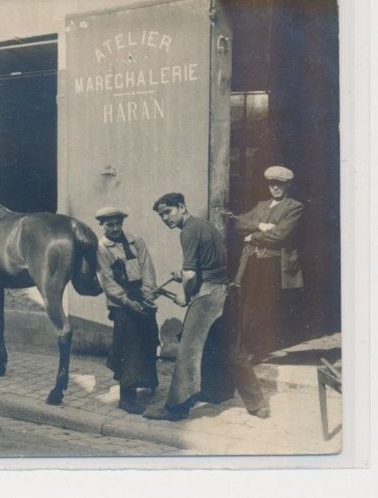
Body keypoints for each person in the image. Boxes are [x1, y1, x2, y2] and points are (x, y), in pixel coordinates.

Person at [143, 193, 269, 421]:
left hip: (207, 297)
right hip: (222, 293)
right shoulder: (205, 225)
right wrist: (184, 278)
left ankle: (175, 409)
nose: (164, 218)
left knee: (187, 352)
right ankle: (257, 404)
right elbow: (207, 266)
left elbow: (191, 274)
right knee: (232, 350)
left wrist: (185, 293)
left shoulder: (189, 231)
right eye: (161, 215)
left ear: (181, 207)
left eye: (167, 212)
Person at [227, 165, 304, 361]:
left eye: (280, 184)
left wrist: (252, 236)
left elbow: (279, 235)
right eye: (272, 184)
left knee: (262, 306)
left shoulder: (294, 207)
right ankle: (245, 350)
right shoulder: (261, 205)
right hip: (251, 261)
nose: (275, 188)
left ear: (288, 186)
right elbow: (238, 223)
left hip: (272, 263)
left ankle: (255, 351)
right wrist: (259, 225)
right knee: (246, 304)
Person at [94, 206, 159, 414]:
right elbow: (107, 282)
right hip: (121, 303)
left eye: (118, 224)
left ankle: (148, 381)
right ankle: (127, 398)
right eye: (109, 225)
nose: (114, 228)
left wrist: (148, 294)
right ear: (102, 225)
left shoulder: (136, 242)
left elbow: (148, 269)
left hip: (141, 295)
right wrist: (128, 301)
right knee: (129, 347)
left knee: (150, 338)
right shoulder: (101, 249)